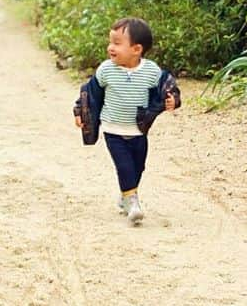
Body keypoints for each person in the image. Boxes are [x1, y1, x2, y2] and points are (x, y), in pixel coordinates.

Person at [73, 16, 180, 224]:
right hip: (113, 129)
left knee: (138, 167)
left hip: (138, 130)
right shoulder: (106, 70)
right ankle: (133, 202)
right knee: (124, 166)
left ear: (136, 49)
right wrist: (80, 111)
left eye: (117, 43)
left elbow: (167, 87)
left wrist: (172, 99)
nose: (110, 47)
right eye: (110, 42)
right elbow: (90, 92)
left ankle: (125, 197)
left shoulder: (150, 71)